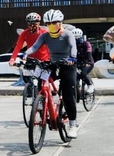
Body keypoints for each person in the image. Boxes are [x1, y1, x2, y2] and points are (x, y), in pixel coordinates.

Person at [21, 9, 79, 138]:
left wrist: (72, 58)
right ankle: (41, 100)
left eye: (54, 22)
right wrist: (25, 54)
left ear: (60, 22)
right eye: (48, 23)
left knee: (69, 95)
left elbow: (73, 47)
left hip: (67, 64)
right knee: (41, 77)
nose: (51, 25)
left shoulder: (67, 34)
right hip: (52, 64)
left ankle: (73, 125)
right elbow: (35, 47)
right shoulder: (45, 36)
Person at [72, 28, 95, 95]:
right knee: (73, 76)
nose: (76, 40)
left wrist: (88, 61)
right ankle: (77, 90)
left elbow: (89, 52)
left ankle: (90, 85)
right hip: (76, 63)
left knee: (83, 74)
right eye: (74, 38)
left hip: (88, 63)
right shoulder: (71, 44)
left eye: (78, 38)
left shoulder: (86, 43)